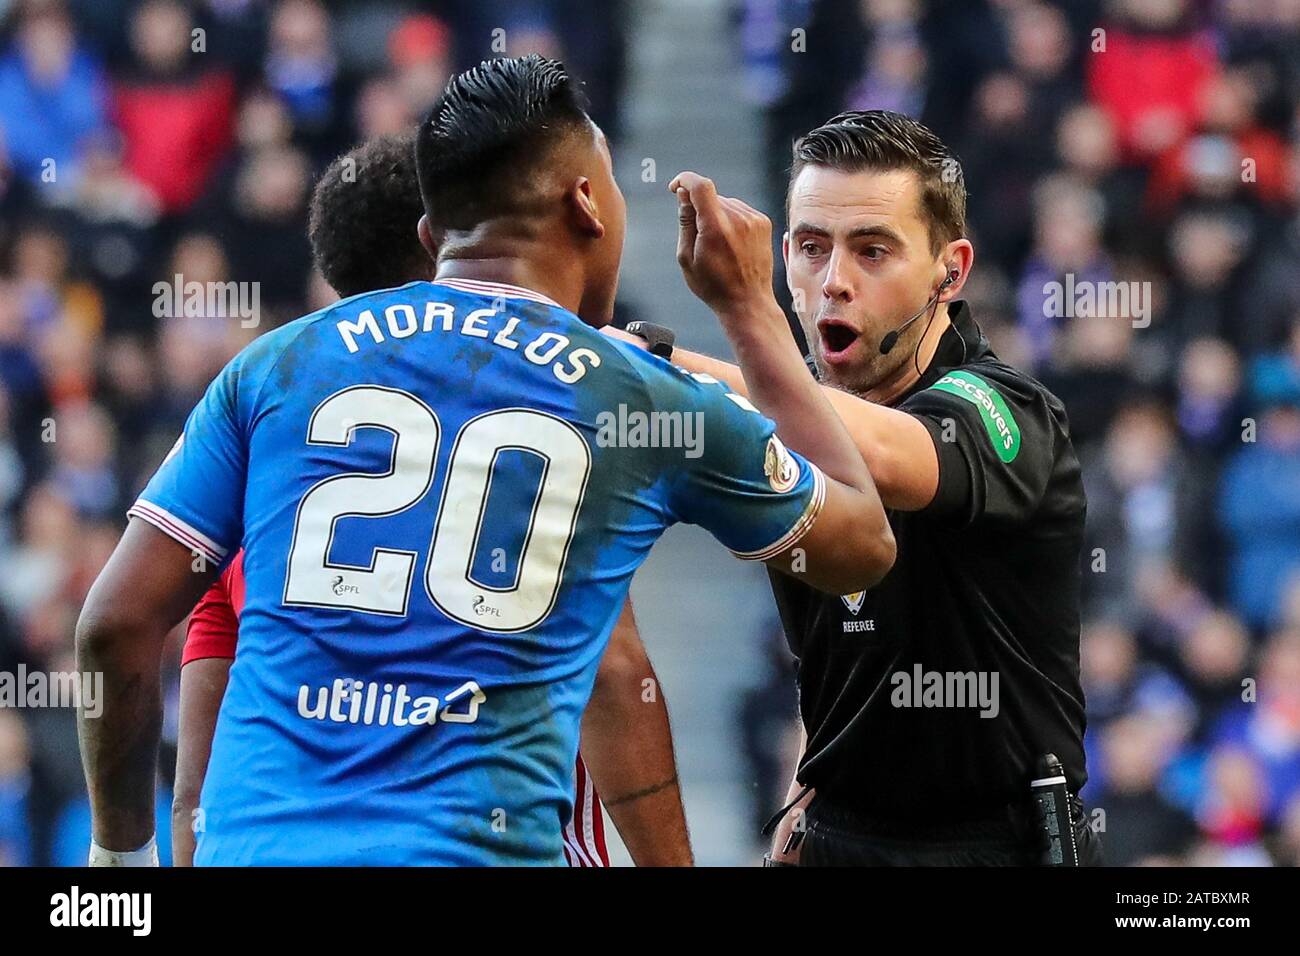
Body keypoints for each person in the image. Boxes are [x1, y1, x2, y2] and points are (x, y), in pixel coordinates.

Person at [76, 56, 894, 866]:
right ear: (588, 204)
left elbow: (114, 625)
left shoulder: (273, 366)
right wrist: (749, 307)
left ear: (435, 240)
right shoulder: (636, 395)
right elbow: (863, 543)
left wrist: (120, 857)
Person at [169, 132, 691, 868]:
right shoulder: (523, 441)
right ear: (442, 250)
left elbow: (196, 781)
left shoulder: (255, 454)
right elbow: (612, 673)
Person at [656, 110, 1097, 865]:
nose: (833, 282)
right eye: (811, 248)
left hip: (993, 850)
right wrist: (810, 796)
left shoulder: (1010, 412)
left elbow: (892, 458)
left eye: (873, 251)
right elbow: (841, 665)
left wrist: (705, 340)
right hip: (843, 840)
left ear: (949, 271)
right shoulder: (789, 423)